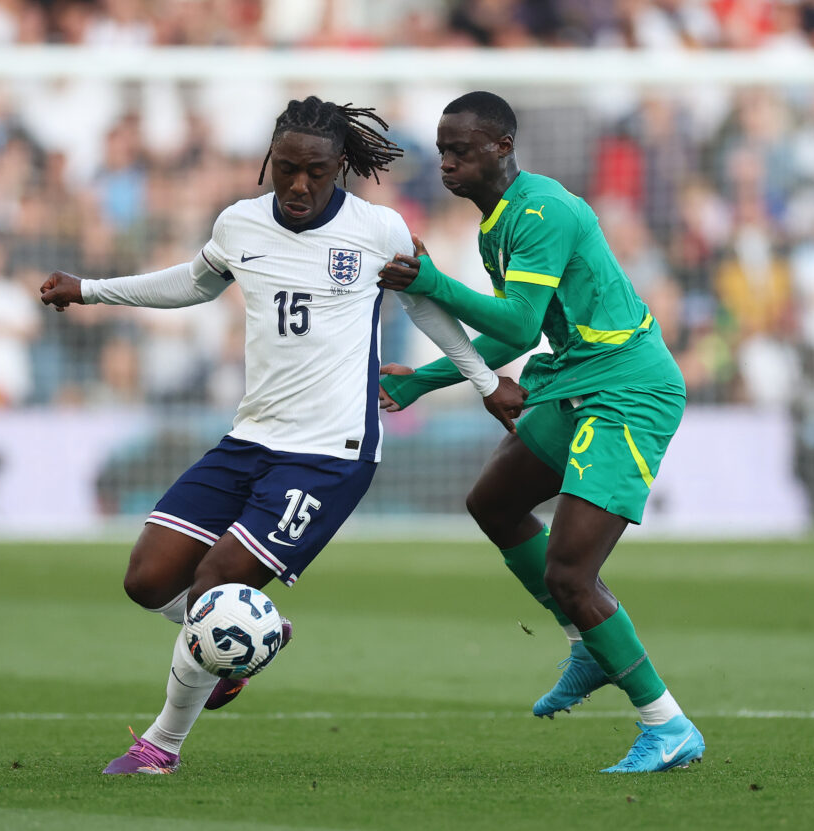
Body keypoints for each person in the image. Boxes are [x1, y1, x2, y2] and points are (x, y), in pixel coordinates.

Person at [40, 96, 526, 775]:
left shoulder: (378, 230)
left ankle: (160, 745)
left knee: (214, 586)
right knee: (147, 581)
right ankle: (245, 634)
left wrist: (484, 381)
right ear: (269, 162)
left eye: (317, 172)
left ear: (342, 168)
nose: (299, 185)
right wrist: (90, 289)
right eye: (287, 169)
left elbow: (430, 308)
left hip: (331, 455)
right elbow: (194, 283)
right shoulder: (239, 223)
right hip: (251, 439)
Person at [377, 91, 704, 773]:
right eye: (441, 149)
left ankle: (666, 723)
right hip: (574, 379)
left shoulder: (543, 209)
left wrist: (433, 282)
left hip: (627, 389)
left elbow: (518, 325)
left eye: (461, 149)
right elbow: (512, 336)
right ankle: (587, 644)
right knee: (492, 502)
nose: (446, 162)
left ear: (502, 146)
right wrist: (420, 384)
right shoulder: (498, 222)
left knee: (572, 572)